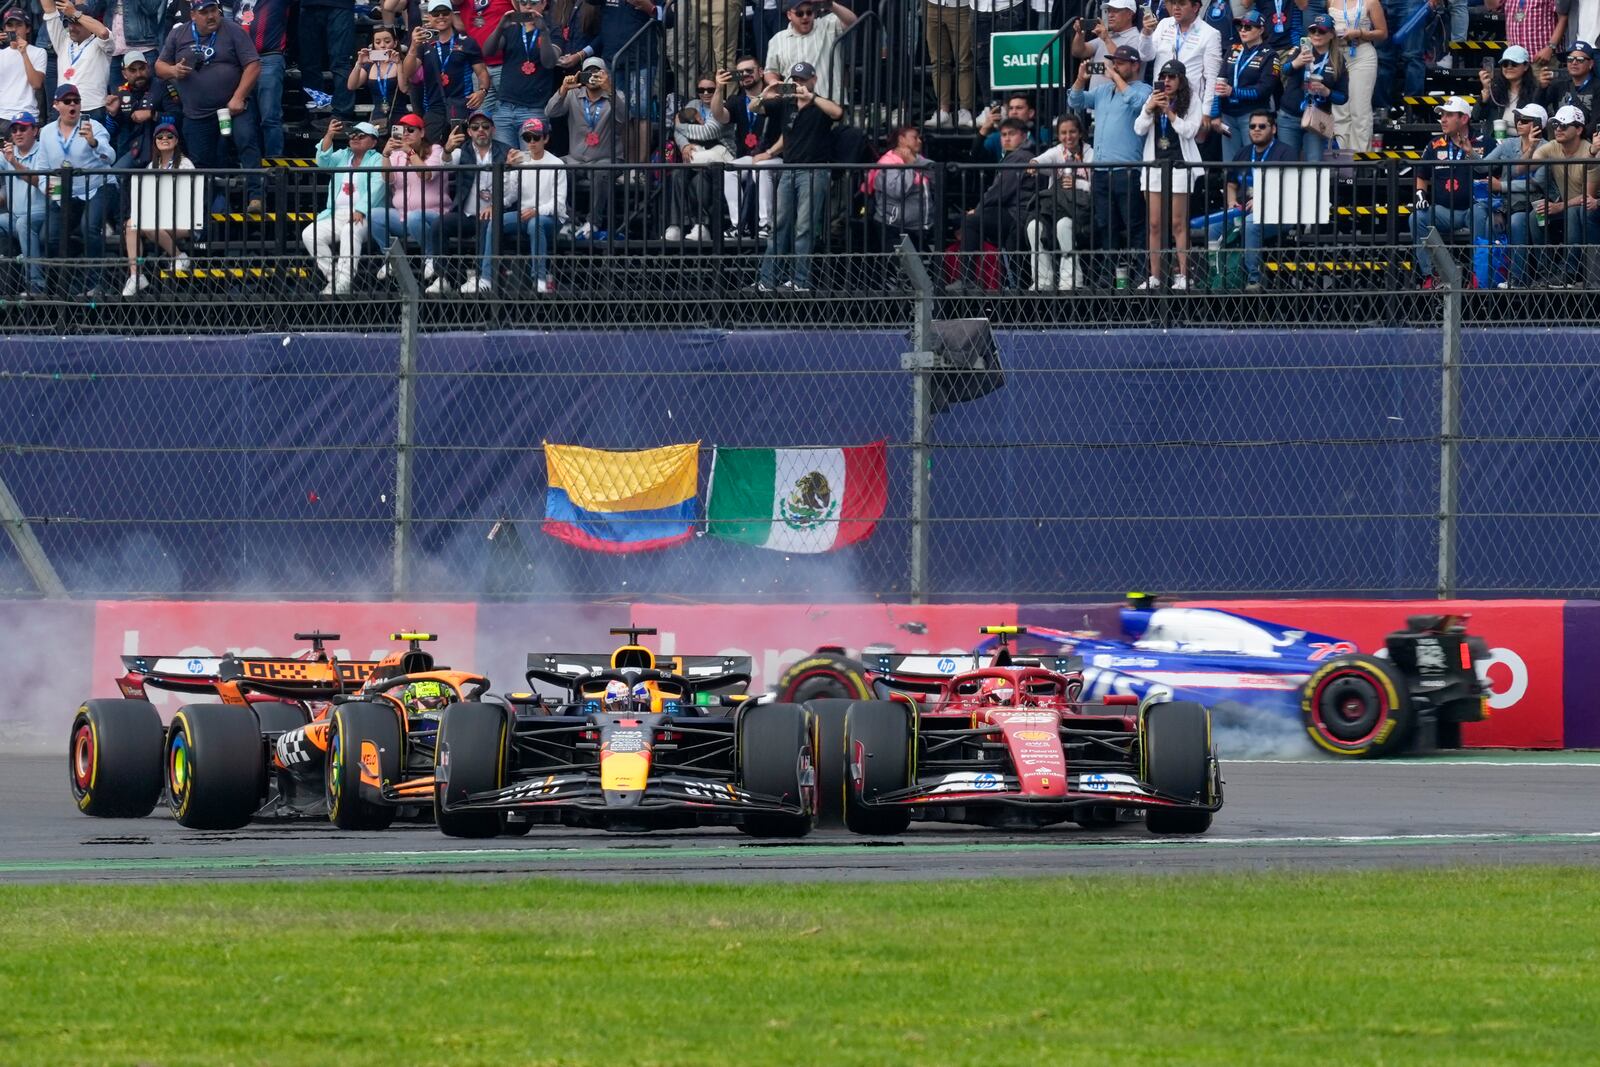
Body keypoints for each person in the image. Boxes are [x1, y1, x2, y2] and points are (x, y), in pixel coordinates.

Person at [154, 0, 265, 210]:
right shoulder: (179, 34)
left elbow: (253, 64)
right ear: (193, 15)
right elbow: (159, 66)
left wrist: (239, 96)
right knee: (201, 160)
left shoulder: (233, 30)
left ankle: (255, 196)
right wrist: (173, 72)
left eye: (213, 10)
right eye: (204, 12)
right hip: (197, 113)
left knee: (246, 140)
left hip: (233, 108)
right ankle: (204, 207)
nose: (211, 16)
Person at [1067, 43, 1151, 287]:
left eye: (1121, 63)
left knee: (1134, 225)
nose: (1116, 66)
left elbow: (1138, 104)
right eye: (1114, 62)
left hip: (1128, 170)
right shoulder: (1104, 91)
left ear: (1135, 65)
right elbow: (1076, 101)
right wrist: (1081, 80)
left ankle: (1140, 275)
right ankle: (1107, 276)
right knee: (1106, 226)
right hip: (1101, 170)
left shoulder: (1144, 89)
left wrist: (1114, 76)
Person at [756, 60, 841, 292]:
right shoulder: (787, 104)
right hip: (788, 170)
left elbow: (838, 113)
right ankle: (767, 280)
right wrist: (766, 92)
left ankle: (800, 282)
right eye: (795, 79)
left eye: (803, 79)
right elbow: (756, 108)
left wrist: (811, 97)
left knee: (804, 228)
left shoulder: (820, 104)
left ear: (813, 80)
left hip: (814, 171)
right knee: (779, 225)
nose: (799, 83)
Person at [36, 85, 116, 296]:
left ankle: (95, 284)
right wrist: (52, 192)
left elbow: (111, 157)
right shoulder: (45, 132)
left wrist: (93, 142)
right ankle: (60, 285)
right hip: (65, 192)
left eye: (76, 100)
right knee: (48, 237)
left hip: (98, 186)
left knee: (88, 227)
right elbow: (43, 169)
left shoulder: (94, 126)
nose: (73, 104)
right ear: (56, 105)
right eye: (67, 101)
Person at [431, 108, 521, 293]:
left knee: (486, 224)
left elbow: (513, 190)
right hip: (465, 213)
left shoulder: (506, 151)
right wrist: (447, 150)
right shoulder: (461, 151)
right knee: (439, 224)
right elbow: (446, 166)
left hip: (494, 214)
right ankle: (442, 278)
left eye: (485, 126)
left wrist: (496, 205)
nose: (481, 130)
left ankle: (481, 277)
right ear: (469, 131)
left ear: (493, 129)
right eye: (475, 127)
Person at [1134, 59, 1204, 290]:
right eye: (1164, 77)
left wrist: (1170, 114)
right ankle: (1155, 275)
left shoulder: (1191, 99)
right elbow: (1139, 128)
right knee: (1154, 224)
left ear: (1181, 79)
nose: (1167, 81)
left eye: (1172, 77)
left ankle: (1183, 275)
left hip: (1180, 165)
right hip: (1155, 165)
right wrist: (1149, 107)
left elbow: (1191, 130)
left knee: (1178, 224)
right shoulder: (1154, 97)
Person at [1210, 109, 1295, 292]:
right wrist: (1232, 201)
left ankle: (1253, 278)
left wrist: (1263, 200)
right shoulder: (1243, 153)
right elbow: (1231, 184)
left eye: (1262, 126)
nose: (1256, 130)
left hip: (1278, 213)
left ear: (1273, 129)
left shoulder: (1286, 152)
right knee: (1213, 228)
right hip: (1244, 210)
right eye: (1252, 126)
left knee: (1250, 223)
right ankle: (1215, 275)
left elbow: (1290, 186)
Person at [946, 116, 1034, 292]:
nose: (1007, 138)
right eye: (1003, 135)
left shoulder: (1020, 157)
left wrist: (977, 210)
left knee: (970, 222)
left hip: (1016, 214)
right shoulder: (1018, 156)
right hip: (1014, 212)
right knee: (974, 222)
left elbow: (998, 192)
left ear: (1024, 136)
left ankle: (967, 279)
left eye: (1012, 134)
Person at [301, 118, 388, 295]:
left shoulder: (377, 159)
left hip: (367, 214)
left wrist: (361, 209)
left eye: (361, 135)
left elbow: (378, 186)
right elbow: (322, 161)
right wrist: (329, 135)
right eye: (353, 135)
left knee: (350, 231)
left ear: (373, 142)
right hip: (336, 214)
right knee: (309, 234)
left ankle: (345, 282)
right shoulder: (343, 155)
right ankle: (335, 279)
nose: (355, 138)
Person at [1411, 95, 1489, 288]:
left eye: (1449, 115)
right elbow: (1422, 176)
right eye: (1442, 115)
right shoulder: (1434, 145)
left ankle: (1479, 275)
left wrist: (1471, 153)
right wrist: (1420, 194)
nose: (1443, 119)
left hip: (1475, 208)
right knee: (1416, 218)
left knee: (1481, 214)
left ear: (1463, 119)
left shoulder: (1483, 142)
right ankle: (1432, 274)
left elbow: (1490, 172)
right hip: (1444, 211)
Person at [546, 56, 627, 238]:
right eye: (588, 72)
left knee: (600, 173)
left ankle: (593, 223)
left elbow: (624, 118)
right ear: (581, 75)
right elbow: (550, 112)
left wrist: (610, 90)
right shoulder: (574, 94)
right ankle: (568, 219)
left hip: (605, 158)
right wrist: (563, 90)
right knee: (554, 168)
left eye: (597, 72)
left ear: (605, 74)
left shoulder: (617, 94)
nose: (592, 77)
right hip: (576, 158)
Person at [1474, 101, 1548, 288]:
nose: (1519, 122)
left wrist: (1502, 186)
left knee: (1517, 221)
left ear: (1538, 125)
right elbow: (1482, 166)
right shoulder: (1508, 143)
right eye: (1518, 119)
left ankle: (1518, 278)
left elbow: (1536, 184)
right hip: (1508, 203)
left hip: (1533, 204)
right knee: (1488, 220)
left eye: (1525, 120)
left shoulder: (1547, 147)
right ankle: (1488, 277)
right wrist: (1469, 152)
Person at [370, 113, 449, 281]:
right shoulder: (396, 154)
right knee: (374, 215)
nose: (405, 134)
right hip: (402, 216)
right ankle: (392, 258)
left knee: (415, 217)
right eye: (402, 130)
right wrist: (385, 155)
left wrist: (411, 152)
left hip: (433, 215)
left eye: (411, 130)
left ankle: (431, 257)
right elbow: (387, 179)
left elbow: (426, 174)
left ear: (421, 133)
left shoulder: (435, 150)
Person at [120, 120, 194, 294]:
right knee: (131, 225)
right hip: (157, 216)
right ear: (155, 142)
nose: (164, 139)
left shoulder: (185, 164)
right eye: (160, 136)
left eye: (169, 136)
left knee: (145, 223)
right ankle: (136, 276)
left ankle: (179, 257)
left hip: (182, 219)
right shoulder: (151, 166)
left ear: (176, 141)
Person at [402, 0, 490, 143]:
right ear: (429, 17)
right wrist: (412, 46)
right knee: (431, 153)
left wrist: (483, 91)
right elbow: (408, 72)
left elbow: (482, 72)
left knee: (459, 153)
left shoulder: (466, 42)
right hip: (433, 107)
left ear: (452, 15)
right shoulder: (423, 43)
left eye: (445, 13)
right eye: (436, 14)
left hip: (460, 105)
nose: (441, 17)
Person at [1025, 113, 1093, 291]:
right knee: (1034, 227)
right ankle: (1043, 280)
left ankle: (1070, 280)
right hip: (1055, 208)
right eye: (1063, 133)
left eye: (1072, 132)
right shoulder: (1057, 151)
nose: (1068, 137)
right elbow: (1043, 159)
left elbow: (1097, 185)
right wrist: (1034, 162)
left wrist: (1077, 184)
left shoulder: (1091, 153)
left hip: (1080, 211)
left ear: (1080, 133)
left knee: (1063, 226)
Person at [1532, 103, 1598, 284]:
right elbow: (1531, 164)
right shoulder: (1552, 146)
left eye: (1563, 125)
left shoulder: (1591, 152)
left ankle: (1570, 272)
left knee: (1574, 211)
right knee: (1534, 215)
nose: (1558, 129)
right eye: (1555, 125)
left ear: (1578, 129)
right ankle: (1546, 271)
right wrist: (1531, 147)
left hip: (1589, 207)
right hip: (1566, 205)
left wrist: (1559, 206)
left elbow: (1588, 196)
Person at [485, 0, 562, 146]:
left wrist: (544, 32)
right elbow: (488, 52)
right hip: (505, 107)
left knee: (530, 164)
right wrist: (500, 28)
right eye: (523, 2)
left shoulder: (551, 28)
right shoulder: (512, 26)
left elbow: (550, 62)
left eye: (533, 2)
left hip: (534, 109)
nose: (527, 6)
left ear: (544, 3)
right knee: (505, 163)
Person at [723, 55, 780, 237]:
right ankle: (739, 226)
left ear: (761, 72)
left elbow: (788, 133)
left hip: (777, 156)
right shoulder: (736, 100)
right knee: (729, 170)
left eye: (749, 70)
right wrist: (718, 88)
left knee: (761, 168)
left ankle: (766, 225)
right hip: (751, 156)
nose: (745, 75)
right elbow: (719, 116)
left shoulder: (776, 96)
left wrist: (769, 153)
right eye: (740, 73)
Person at [1277, 15, 1348, 162]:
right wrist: (1296, 63)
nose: (1316, 34)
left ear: (1331, 35)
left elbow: (1343, 97)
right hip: (1290, 115)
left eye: (1321, 31)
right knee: (1287, 163)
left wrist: (1326, 91)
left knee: (1314, 163)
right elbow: (1284, 70)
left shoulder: (1338, 59)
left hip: (1318, 116)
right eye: (1313, 31)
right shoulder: (1300, 50)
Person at [1211, 10, 1278, 163]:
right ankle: (1230, 187)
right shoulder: (1232, 49)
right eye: (1240, 27)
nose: (1242, 30)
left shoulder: (1270, 55)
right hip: (1228, 116)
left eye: (1248, 27)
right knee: (1230, 163)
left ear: (1261, 30)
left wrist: (1233, 91)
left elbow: (1264, 90)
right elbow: (1220, 81)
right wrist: (1215, 114)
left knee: (1255, 160)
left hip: (1253, 116)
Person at [763, 0, 856, 106]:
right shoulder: (777, 40)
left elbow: (852, 22)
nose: (805, 17)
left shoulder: (827, 25)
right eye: (799, 13)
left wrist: (831, 5)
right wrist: (776, 84)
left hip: (830, 104)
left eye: (809, 12)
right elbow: (770, 71)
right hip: (795, 105)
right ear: (789, 15)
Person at [512, 115, 565, 292]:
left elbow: (559, 205)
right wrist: (509, 169)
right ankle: (487, 277)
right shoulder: (521, 161)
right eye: (527, 138)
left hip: (551, 218)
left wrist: (536, 210)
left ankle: (540, 278)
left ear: (546, 138)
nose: (532, 142)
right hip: (525, 214)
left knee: (536, 224)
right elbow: (510, 196)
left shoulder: (557, 163)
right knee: (494, 222)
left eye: (536, 137)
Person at [231, 0, 290, 159]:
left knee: (269, 117)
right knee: (247, 121)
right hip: (242, 63)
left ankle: (274, 164)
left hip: (269, 58)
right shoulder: (238, 2)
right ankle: (252, 167)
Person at [1143, 0, 1223, 116]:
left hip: (1190, 105)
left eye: (1182, 4)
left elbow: (1211, 78)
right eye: (1174, 3)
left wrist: (1206, 112)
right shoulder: (1164, 24)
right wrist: (1146, 33)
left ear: (1195, 7)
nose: (1176, 7)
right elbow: (1146, 56)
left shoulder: (1210, 34)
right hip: (1160, 98)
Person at [867, 123, 935, 258]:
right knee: (907, 270)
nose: (919, 141)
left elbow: (936, 177)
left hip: (919, 227)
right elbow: (898, 191)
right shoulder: (887, 163)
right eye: (915, 138)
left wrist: (913, 163)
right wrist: (909, 166)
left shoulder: (919, 160)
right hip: (894, 227)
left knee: (926, 269)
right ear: (901, 139)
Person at [40, 0, 115, 121]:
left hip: (92, 108)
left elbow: (103, 32)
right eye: (70, 22)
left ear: (89, 23)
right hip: (62, 107)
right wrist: (73, 15)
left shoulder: (101, 44)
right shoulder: (63, 41)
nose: (72, 27)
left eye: (77, 23)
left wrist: (75, 13)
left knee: (92, 140)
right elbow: (49, 9)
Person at [1329, 0, 1387, 153]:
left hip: (1361, 53)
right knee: (1339, 111)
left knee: (1359, 110)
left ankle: (1361, 161)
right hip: (1337, 54)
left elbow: (1383, 33)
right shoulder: (1331, 1)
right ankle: (1343, 160)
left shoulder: (1371, 2)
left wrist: (1360, 33)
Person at [665, 105, 730, 240]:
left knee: (700, 176)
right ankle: (675, 225)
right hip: (694, 170)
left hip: (717, 173)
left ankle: (702, 225)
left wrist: (679, 127)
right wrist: (685, 146)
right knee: (678, 173)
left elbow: (708, 134)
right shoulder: (687, 145)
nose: (702, 120)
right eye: (700, 118)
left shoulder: (715, 129)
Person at [0, 113, 47, 296]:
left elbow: (38, 181)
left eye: (23, 128)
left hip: (41, 215)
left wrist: (14, 162)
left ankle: (36, 285)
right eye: (14, 129)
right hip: (14, 216)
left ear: (34, 130)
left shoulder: (43, 151)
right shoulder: (8, 154)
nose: (18, 133)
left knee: (24, 223)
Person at [298, 0, 355, 122]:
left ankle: (341, 114)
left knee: (341, 61)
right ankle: (312, 110)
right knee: (308, 62)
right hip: (309, 6)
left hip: (340, 5)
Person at [922, 0, 976, 128]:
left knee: (964, 61)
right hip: (932, 6)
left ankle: (965, 110)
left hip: (962, 7)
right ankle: (943, 111)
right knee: (939, 62)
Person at [1071, 0, 1145, 90]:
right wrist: (1080, 34)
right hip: (1095, 100)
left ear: (1130, 14)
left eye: (1116, 11)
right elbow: (1078, 52)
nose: (1110, 15)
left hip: (1121, 100)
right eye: (1109, 11)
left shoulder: (1137, 38)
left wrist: (1106, 39)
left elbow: (1124, 64)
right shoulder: (1107, 35)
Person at [348, 25, 408, 131]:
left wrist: (399, 64)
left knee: (397, 144)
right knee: (378, 144)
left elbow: (404, 88)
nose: (383, 45)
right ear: (373, 45)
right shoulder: (370, 65)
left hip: (400, 116)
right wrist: (358, 63)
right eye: (378, 42)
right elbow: (351, 85)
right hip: (377, 117)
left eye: (387, 41)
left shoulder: (402, 63)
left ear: (395, 43)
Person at [1483, 0, 1565, 72]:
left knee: (1542, 89)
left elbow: (1563, 17)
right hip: (1515, 60)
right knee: (1517, 90)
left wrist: (1550, 47)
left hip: (1541, 58)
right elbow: (1492, 6)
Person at [1477, 45, 1540, 131]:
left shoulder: (1535, 91)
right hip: (1497, 140)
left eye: (1514, 64)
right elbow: (1477, 116)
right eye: (1505, 64)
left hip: (1524, 140)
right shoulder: (1494, 88)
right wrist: (1486, 90)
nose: (1509, 67)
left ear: (1526, 66)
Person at [0, 9, 46, 127]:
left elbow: (36, 84)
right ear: (4, 29)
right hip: (2, 115)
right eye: (9, 26)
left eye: (19, 25)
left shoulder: (39, 52)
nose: (14, 30)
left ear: (28, 28)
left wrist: (24, 53)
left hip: (27, 116)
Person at [1539, 42, 1599, 129]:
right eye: (1570, 59)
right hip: (1559, 135)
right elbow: (1539, 109)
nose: (1574, 62)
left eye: (1580, 59)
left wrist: (1574, 137)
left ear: (1591, 64)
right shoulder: (1558, 84)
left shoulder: (1597, 87)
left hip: (1586, 139)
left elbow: (1596, 122)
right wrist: (1542, 88)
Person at [972, 93, 1035, 161]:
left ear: (1030, 113)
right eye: (1011, 108)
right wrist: (984, 129)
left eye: (1019, 108)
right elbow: (976, 157)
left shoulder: (1042, 134)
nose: (1014, 112)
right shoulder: (997, 137)